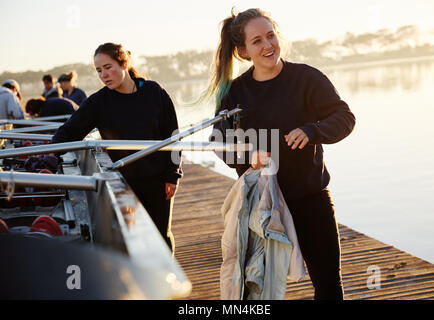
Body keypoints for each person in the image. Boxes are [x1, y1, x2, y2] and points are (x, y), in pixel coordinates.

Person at [208, 8, 356, 300]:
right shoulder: (235, 93)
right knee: (255, 286)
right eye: (257, 41)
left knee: (328, 284)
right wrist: (247, 156)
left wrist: (312, 130)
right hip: (260, 204)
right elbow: (219, 140)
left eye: (271, 36)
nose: (268, 45)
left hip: (310, 198)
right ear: (243, 51)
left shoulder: (307, 78)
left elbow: (344, 117)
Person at [51, 42, 182, 251]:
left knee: (161, 235)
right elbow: (69, 131)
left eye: (108, 67)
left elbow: (173, 136)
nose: (103, 75)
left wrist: (172, 174)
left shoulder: (154, 92)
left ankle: (167, 280)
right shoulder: (98, 103)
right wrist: (49, 154)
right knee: (134, 240)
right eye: (99, 70)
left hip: (158, 180)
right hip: (124, 184)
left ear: (124, 63)